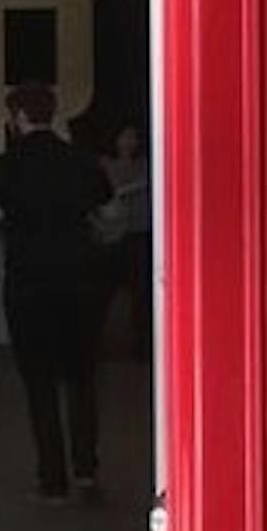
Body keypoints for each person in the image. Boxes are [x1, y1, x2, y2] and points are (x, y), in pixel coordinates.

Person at [0, 83, 112, 501]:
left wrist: (4, 228)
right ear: (52, 115)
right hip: (81, 282)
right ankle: (86, 471)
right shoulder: (80, 161)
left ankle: (53, 481)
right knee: (83, 379)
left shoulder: (6, 165)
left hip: (29, 286)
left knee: (39, 383)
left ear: (19, 119)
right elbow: (112, 212)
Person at [100, 124, 152, 361]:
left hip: (139, 233)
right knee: (104, 293)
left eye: (134, 136)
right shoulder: (105, 166)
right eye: (125, 136)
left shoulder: (146, 166)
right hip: (112, 236)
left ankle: (142, 346)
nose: (130, 141)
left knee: (141, 294)